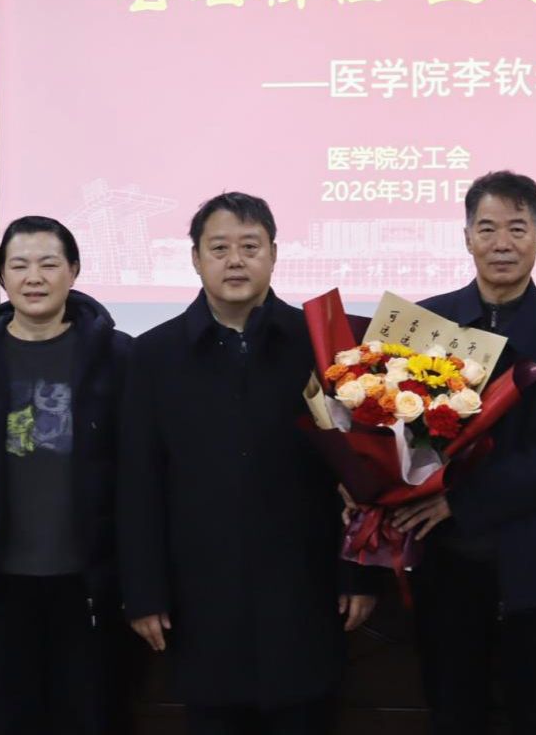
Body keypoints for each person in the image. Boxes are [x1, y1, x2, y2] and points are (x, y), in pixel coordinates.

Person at [118, 192, 377, 735]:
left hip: (305, 589)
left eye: (250, 247)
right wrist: (143, 592)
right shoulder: (153, 356)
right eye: (219, 248)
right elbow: (138, 484)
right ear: (195, 258)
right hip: (199, 594)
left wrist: (357, 574)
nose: (235, 261)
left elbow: (358, 477)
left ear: (274, 254)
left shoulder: (323, 345)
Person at [392, 171, 536, 735]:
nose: (502, 243)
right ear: (467, 238)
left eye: (517, 228)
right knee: (452, 713)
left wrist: (459, 500)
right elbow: (386, 429)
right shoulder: (423, 325)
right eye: (487, 229)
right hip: (445, 565)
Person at [0, 216, 131, 735]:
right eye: (19, 265)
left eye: (49, 264)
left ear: (73, 271)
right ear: (2, 277)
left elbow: (139, 477)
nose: (34, 277)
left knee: (89, 718)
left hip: (89, 585)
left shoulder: (116, 356)